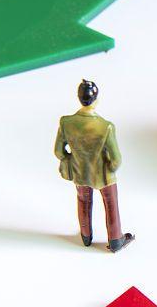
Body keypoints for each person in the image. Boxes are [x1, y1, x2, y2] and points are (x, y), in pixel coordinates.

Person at [54, 80, 134, 252]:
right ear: (96, 100)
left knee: (83, 200)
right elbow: (116, 159)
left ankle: (86, 236)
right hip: (104, 175)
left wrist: (74, 160)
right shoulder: (105, 127)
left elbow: (59, 152)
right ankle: (115, 240)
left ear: (79, 98)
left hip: (80, 172)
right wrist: (110, 168)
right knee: (111, 204)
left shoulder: (66, 122)